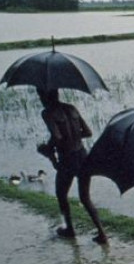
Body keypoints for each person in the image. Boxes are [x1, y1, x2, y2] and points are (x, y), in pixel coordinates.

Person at [36, 88, 108, 244]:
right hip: (83, 155)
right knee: (85, 198)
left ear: (45, 96)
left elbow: (57, 136)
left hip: (68, 158)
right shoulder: (71, 108)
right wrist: (73, 136)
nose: (40, 98)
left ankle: (69, 229)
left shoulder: (47, 113)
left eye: (40, 94)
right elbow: (88, 132)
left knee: (61, 195)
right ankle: (102, 234)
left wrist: (48, 149)